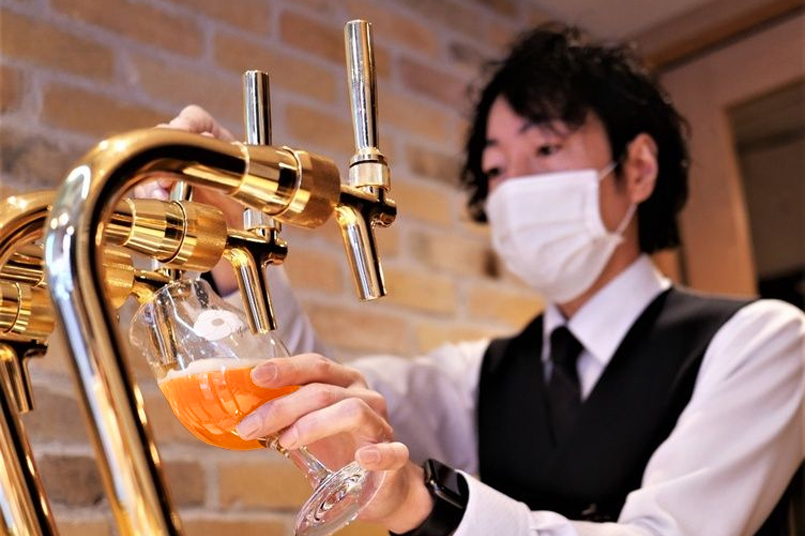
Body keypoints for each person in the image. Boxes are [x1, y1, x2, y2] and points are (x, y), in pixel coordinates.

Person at [139, 24, 805, 536]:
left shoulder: (760, 341)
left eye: (545, 149)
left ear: (637, 169)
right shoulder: (475, 378)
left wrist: (427, 502)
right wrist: (230, 243)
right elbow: (320, 388)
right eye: (495, 170)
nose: (513, 188)